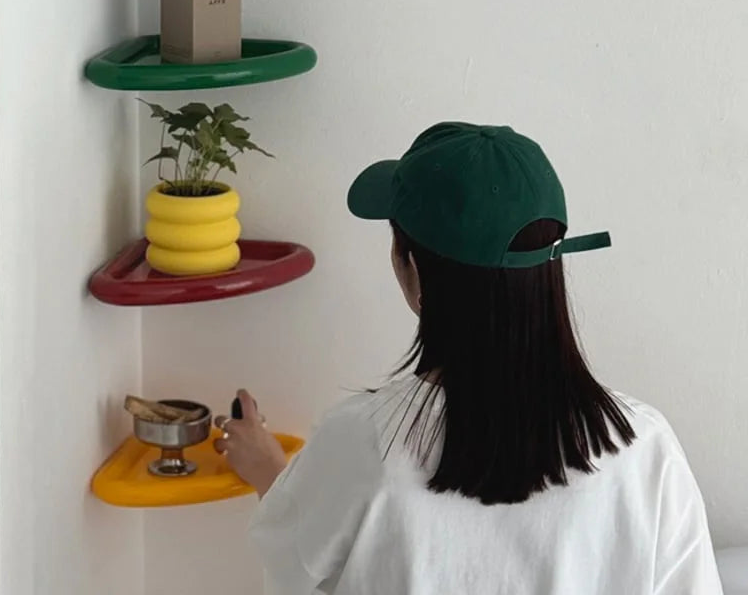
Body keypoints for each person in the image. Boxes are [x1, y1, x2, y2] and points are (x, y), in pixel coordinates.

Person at [214, 122, 724, 595]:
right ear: (551, 269)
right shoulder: (644, 448)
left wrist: (269, 471)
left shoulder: (362, 442)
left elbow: (293, 568)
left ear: (413, 271)